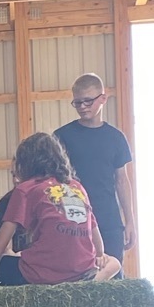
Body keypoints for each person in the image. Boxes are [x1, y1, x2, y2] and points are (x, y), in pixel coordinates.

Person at [0, 132, 120, 285]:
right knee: (114, 262)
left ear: (26, 163)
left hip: (39, 275)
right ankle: (92, 283)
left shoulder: (25, 189)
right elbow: (99, 248)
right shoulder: (77, 188)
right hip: (81, 272)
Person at [53, 73, 136, 273]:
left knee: (112, 276)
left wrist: (130, 220)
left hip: (109, 220)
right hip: (72, 221)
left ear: (103, 98)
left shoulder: (116, 138)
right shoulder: (61, 137)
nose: (82, 107)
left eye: (88, 101)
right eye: (77, 102)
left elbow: (121, 181)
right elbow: (52, 182)